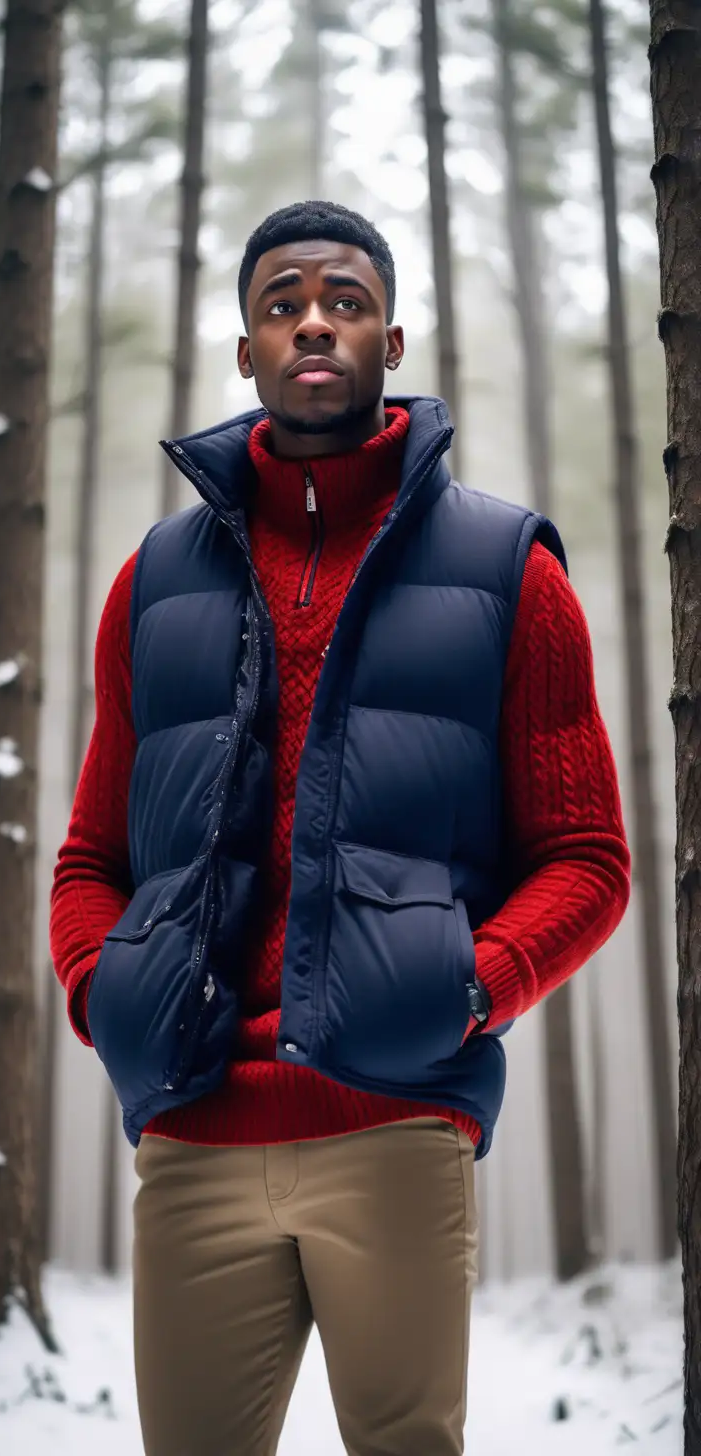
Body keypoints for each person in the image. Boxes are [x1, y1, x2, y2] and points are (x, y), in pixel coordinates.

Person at [50, 200, 630, 1456]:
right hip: (195, 1132)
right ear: (247, 349)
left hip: (395, 1125)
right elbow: (93, 855)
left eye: (346, 298)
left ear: (393, 339)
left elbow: (588, 859)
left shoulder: (509, 571)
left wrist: (464, 990)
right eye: (283, 301)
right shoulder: (151, 582)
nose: (315, 318)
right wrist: (108, 995)